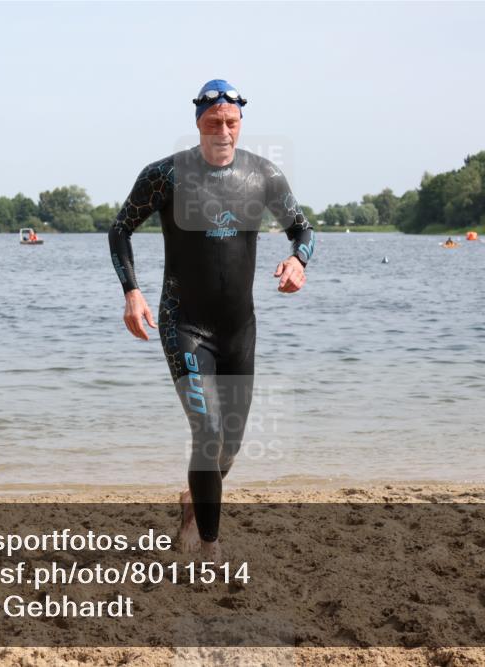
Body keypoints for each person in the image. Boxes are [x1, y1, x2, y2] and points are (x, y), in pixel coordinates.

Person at [109, 79, 314, 559]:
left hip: (238, 328)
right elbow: (120, 230)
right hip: (184, 322)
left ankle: (194, 500)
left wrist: (299, 261)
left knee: (230, 445)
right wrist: (132, 293)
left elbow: (302, 229)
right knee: (207, 431)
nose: (223, 130)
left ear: (241, 123)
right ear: (197, 122)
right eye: (213, 122)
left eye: (231, 122)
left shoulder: (264, 175)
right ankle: (208, 545)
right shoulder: (166, 176)